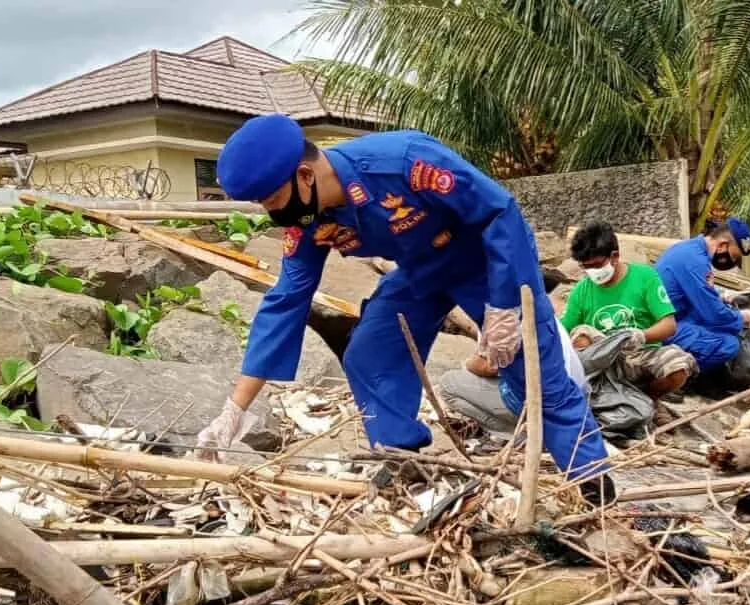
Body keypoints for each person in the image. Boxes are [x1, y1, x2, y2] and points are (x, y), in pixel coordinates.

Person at [194, 113, 614, 504]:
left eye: (271, 200)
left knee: (535, 375)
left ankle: (596, 488)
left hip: (488, 260)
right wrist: (236, 409)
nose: (271, 214)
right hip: (420, 271)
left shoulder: (405, 162)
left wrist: (504, 308)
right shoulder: (309, 220)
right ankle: (404, 459)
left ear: (305, 175)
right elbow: (286, 301)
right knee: (368, 352)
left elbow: (499, 212)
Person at [560, 222, 696, 410]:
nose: (592, 272)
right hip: (604, 362)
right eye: (586, 267)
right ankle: (601, 397)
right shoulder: (581, 291)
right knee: (582, 335)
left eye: (597, 265)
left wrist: (641, 335)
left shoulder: (645, 277)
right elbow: (563, 330)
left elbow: (669, 324)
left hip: (641, 355)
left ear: (614, 256)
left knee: (679, 367)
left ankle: (647, 401)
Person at [440, 321, 587, 438]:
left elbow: (486, 366)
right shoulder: (541, 310)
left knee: (448, 384)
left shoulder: (496, 317)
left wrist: (468, 363)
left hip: (545, 406)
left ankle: (517, 434)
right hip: (576, 397)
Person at [653, 217, 750, 376]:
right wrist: (743, 317)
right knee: (729, 344)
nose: (733, 262)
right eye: (734, 257)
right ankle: (680, 375)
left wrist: (722, 295)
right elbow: (714, 314)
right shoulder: (695, 261)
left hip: (674, 315)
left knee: (723, 324)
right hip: (661, 328)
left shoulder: (690, 249)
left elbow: (700, 290)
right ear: (723, 245)